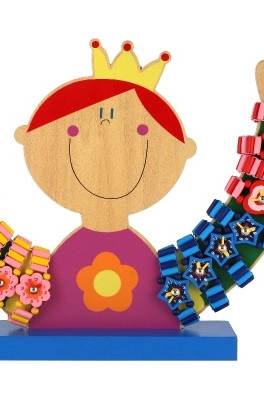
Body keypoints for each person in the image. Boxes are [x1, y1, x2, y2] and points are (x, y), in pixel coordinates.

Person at [14, 40, 196, 329]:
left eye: (141, 131)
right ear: (27, 138)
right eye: (74, 130)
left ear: (184, 150)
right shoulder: (58, 267)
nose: (106, 148)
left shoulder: (148, 263)